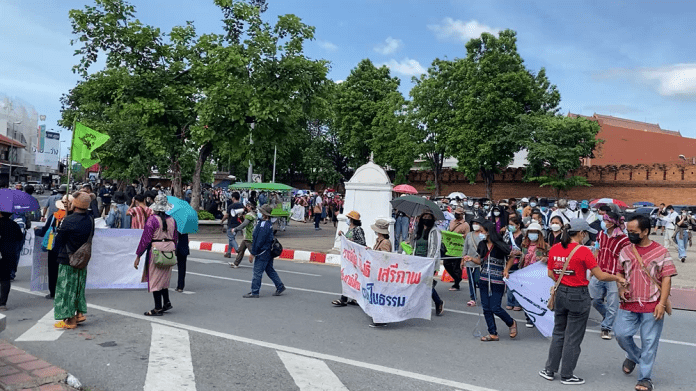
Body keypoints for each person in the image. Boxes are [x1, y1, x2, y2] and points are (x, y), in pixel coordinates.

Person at [539, 219, 626, 385]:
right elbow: (600, 276)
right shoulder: (583, 251)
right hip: (578, 295)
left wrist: (562, 279)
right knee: (573, 337)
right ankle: (567, 374)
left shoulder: (555, 248)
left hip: (560, 293)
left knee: (559, 333)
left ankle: (549, 370)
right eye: (586, 233)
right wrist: (617, 277)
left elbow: (550, 273)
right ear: (581, 233)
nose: (586, 236)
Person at [615, 215, 677, 391]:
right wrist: (620, 288)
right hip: (628, 303)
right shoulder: (626, 250)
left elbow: (666, 279)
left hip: (652, 304)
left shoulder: (661, 252)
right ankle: (635, 356)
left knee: (649, 342)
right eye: (628, 231)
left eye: (633, 232)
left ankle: (644, 378)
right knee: (620, 334)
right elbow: (619, 273)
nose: (630, 235)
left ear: (645, 232)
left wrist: (662, 303)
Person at [463, 220, 516, 341]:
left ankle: (511, 322)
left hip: (497, 280)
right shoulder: (482, 244)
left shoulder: (500, 245)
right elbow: (480, 261)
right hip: (483, 279)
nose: (480, 233)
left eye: (482, 231)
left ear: (488, 232)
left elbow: (512, 257)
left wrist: (506, 269)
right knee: (486, 308)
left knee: (495, 307)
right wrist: (470, 258)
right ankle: (492, 333)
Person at [52, 192, 94, 329]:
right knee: (78, 287)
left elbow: (59, 240)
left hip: (68, 258)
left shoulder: (68, 221)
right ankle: (79, 313)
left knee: (66, 289)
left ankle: (69, 319)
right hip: (83, 259)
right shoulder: (90, 220)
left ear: (75, 204)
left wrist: (64, 218)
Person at [134, 195, 178, 316]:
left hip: (156, 251)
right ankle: (167, 302)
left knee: (155, 279)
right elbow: (175, 238)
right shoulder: (172, 220)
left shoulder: (152, 220)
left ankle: (158, 307)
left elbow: (145, 239)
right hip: (169, 250)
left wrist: (138, 255)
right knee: (164, 278)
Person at [591, 211, 631, 340]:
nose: (604, 222)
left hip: (614, 275)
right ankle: (607, 316)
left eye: (607, 220)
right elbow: (597, 250)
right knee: (595, 300)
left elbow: (626, 259)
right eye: (604, 220)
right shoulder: (601, 234)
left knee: (613, 304)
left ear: (613, 223)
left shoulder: (624, 239)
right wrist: (592, 268)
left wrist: (624, 278)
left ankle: (606, 328)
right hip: (599, 272)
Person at [243, 205, 285, 298]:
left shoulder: (263, 225)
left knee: (257, 272)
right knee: (269, 270)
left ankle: (255, 291)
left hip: (263, 252)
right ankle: (280, 286)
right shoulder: (267, 223)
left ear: (264, 214)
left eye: (261, 212)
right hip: (268, 251)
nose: (259, 213)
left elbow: (259, 240)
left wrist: (253, 253)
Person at [411, 211, 445, 316]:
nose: (426, 219)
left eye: (428, 217)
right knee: (418, 283)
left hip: (428, 262)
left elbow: (435, 248)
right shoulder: (419, 230)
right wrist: (412, 234)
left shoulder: (435, 231)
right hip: (417, 260)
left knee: (426, 284)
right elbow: (413, 245)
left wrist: (430, 262)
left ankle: (438, 301)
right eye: (424, 217)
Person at [35, 196, 68, 299]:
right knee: (66, 271)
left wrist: (36, 230)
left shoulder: (54, 216)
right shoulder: (71, 217)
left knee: (53, 270)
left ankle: (53, 292)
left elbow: (44, 231)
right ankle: (64, 292)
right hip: (67, 248)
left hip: (53, 247)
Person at [332, 211, 366, 306]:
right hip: (348, 259)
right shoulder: (350, 229)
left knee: (352, 278)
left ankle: (345, 299)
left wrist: (353, 241)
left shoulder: (358, 229)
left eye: (349, 218)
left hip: (355, 259)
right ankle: (347, 298)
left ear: (352, 220)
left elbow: (362, 242)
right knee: (347, 277)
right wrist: (342, 234)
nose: (348, 219)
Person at [368, 219, 394, 327]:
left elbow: (385, 257)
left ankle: (381, 319)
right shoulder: (379, 240)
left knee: (380, 295)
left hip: (382, 272)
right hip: (377, 271)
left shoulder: (385, 242)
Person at [0, 211, 24, 310]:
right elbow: (20, 237)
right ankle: (2, 303)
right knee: (5, 278)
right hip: (9, 254)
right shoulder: (13, 224)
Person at [503, 214, 525, 311]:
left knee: (518, 284)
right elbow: (503, 245)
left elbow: (527, 249)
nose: (510, 226)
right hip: (508, 261)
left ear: (518, 225)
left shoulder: (524, 236)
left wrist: (520, 252)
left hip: (519, 262)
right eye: (509, 224)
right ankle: (510, 302)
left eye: (512, 224)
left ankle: (518, 303)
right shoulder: (507, 235)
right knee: (509, 281)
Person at [461, 218, 484, 307]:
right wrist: (463, 259)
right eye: (474, 223)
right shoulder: (469, 235)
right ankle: (473, 298)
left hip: (479, 263)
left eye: (477, 223)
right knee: (471, 281)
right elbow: (465, 248)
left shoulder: (483, 235)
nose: (475, 225)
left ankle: (484, 297)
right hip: (469, 262)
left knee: (478, 280)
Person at [230, 202, 257, 268]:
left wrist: (235, 229)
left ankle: (263, 263)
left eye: (247, 206)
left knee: (253, 252)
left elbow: (244, 224)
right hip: (247, 236)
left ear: (250, 207)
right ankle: (236, 263)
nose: (246, 207)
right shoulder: (253, 214)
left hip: (249, 236)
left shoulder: (249, 215)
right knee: (241, 250)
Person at [221, 192, 245, 259]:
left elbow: (226, 215)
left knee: (231, 238)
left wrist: (222, 221)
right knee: (231, 238)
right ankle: (228, 253)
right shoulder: (242, 206)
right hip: (238, 224)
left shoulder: (231, 206)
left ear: (233, 198)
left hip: (231, 224)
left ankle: (237, 249)